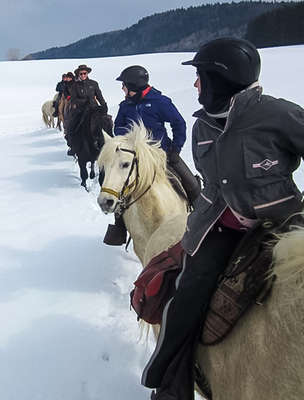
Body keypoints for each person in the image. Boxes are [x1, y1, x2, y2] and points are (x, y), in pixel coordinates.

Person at [143, 37, 304, 400]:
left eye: (201, 76)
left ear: (222, 78)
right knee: (187, 292)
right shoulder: (202, 129)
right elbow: (214, 187)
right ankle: (169, 382)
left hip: (281, 218)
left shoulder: (277, 114)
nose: (196, 84)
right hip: (221, 226)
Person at [103, 65, 201, 245]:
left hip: (162, 155)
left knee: (193, 185)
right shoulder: (126, 105)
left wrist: (175, 149)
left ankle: (201, 219)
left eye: (124, 85)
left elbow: (179, 124)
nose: (122, 88)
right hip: (135, 158)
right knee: (121, 191)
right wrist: (129, 139)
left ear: (133, 85)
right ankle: (120, 227)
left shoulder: (160, 102)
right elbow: (118, 127)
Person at [66, 64, 108, 156]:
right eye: (81, 74)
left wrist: (104, 105)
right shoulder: (75, 86)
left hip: (94, 108)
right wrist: (82, 102)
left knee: (107, 123)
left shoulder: (94, 83)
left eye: (84, 73)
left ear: (87, 73)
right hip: (81, 110)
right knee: (71, 125)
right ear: (78, 75)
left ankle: (109, 142)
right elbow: (73, 99)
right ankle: (73, 145)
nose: (83, 75)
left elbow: (99, 95)